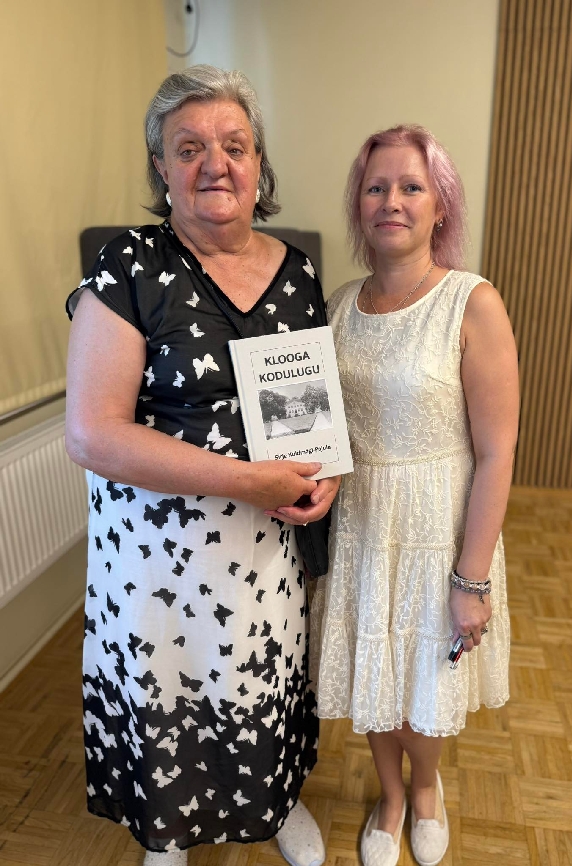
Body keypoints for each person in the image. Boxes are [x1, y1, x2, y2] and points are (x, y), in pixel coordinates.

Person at [65, 65, 338, 864]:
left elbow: (306, 411)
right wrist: (250, 481)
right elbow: (93, 434)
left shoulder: (298, 272)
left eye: (234, 145)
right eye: (189, 149)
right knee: (170, 686)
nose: (215, 164)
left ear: (259, 163)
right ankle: (169, 831)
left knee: (261, 678)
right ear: (161, 167)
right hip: (158, 555)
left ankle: (274, 803)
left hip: (266, 550)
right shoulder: (129, 264)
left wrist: (323, 476)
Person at [309, 125, 519, 866]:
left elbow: (496, 453)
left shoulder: (472, 302)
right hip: (361, 526)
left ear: (440, 206)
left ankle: (426, 788)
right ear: (359, 206)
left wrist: (472, 579)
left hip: (438, 529)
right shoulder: (337, 306)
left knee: (424, 676)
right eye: (376, 187)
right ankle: (390, 795)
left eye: (410, 187)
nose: (391, 201)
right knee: (375, 670)